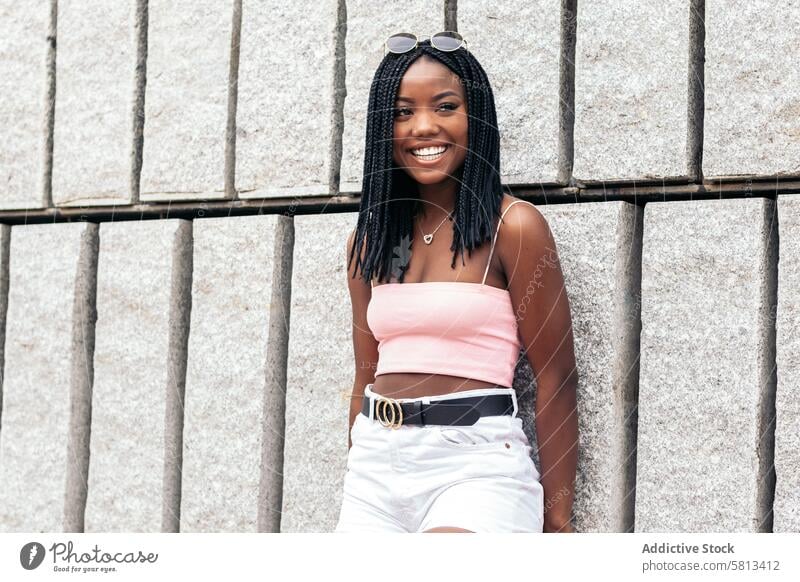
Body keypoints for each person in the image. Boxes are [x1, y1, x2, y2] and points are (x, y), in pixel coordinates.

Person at [336, 32, 578, 533]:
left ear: (476, 118)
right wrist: (360, 458)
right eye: (402, 112)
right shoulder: (369, 241)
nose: (424, 126)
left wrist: (559, 523)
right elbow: (366, 373)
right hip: (376, 467)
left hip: (476, 466)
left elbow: (556, 380)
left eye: (445, 106)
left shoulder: (514, 227)